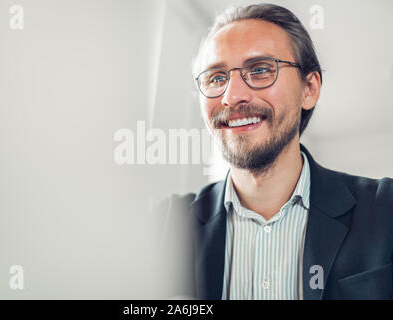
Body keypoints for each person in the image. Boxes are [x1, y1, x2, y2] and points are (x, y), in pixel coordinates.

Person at [156, 4, 392, 300]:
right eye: (216, 78)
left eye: (259, 70)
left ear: (309, 89)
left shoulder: (385, 209)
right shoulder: (165, 227)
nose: (232, 96)